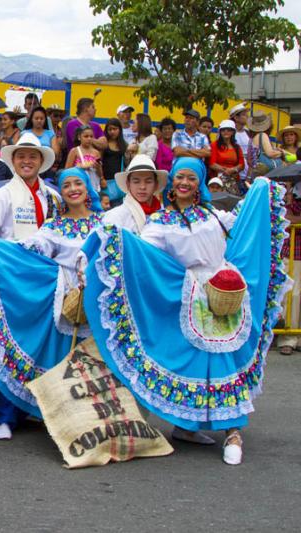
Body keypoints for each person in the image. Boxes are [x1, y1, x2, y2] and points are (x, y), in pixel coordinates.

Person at [82, 157, 289, 466]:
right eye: (180, 177)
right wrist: (116, 241)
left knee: (226, 361)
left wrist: (260, 190)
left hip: (225, 293)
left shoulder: (214, 216)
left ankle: (233, 431)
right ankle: (189, 428)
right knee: (199, 365)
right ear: (172, 183)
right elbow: (146, 254)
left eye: (192, 178)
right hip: (192, 299)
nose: (184, 183)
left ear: (199, 183)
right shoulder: (160, 222)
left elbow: (246, 222)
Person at [0, 166, 103, 438]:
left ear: (87, 188)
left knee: (88, 363)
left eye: (77, 183)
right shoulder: (56, 224)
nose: (72, 189)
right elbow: (32, 247)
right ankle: (8, 417)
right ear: (62, 192)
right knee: (33, 352)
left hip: (97, 301)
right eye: (66, 185)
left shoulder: (106, 223)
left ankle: (80, 421)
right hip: (63, 299)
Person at [0, 133, 61, 241]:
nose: (27, 161)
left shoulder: (53, 197)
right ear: (13, 160)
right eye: (21, 156)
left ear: (41, 161)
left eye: (33, 157)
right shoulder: (2, 196)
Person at [103, 154, 167, 234]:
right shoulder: (115, 217)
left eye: (148, 181)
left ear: (156, 184)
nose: (142, 187)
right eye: (136, 182)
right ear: (128, 184)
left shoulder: (165, 214)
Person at [277, 183, 301, 355]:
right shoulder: (290, 205)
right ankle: (288, 338)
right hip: (294, 254)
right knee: (292, 295)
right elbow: (286, 218)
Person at [209, 120, 245, 195]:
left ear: (233, 132)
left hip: (233, 180)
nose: (226, 132)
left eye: (228, 130)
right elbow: (212, 163)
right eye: (223, 130)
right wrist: (226, 170)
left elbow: (242, 164)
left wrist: (233, 170)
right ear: (220, 132)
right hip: (217, 181)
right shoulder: (214, 145)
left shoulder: (237, 147)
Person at [66, 125, 104, 192]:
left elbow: (100, 173)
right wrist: (80, 167)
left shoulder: (96, 152)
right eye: (86, 136)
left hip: (93, 186)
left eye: (91, 136)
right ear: (79, 137)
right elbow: (67, 171)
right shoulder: (75, 151)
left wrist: (98, 168)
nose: (89, 139)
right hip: (79, 186)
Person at [246, 111, 284, 177]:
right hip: (266, 174)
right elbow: (270, 153)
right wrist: (282, 153)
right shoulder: (262, 135)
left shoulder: (252, 138)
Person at [100, 118, 127, 205]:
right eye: (110, 129)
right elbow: (99, 162)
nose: (112, 132)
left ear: (120, 130)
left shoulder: (124, 144)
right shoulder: (104, 143)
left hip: (119, 182)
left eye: (115, 129)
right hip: (105, 182)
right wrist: (101, 178)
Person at [228, 103, 251, 178]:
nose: (247, 116)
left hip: (247, 173)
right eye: (244, 115)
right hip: (232, 171)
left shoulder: (248, 132)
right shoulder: (228, 133)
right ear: (236, 118)